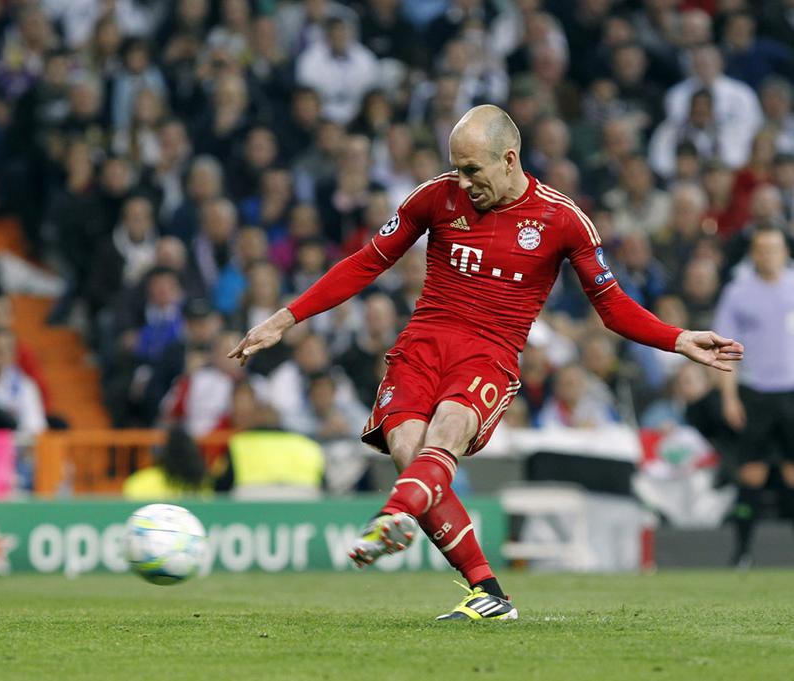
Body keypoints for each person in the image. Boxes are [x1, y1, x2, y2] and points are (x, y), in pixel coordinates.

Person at [229, 105, 744, 622]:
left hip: (489, 353)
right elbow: (367, 262)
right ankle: (488, 591)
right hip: (422, 344)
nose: (461, 181)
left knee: (447, 431)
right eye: (456, 167)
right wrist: (285, 319)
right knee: (407, 450)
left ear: (509, 159)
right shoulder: (434, 197)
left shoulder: (562, 219)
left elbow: (611, 307)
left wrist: (679, 339)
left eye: (472, 169)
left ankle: (393, 515)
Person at [713, 226, 794, 568]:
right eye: (762, 249)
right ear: (753, 254)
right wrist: (729, 397)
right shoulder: (738, 293)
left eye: (774, 248)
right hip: (755, 391)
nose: (768, 255)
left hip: (791, 390)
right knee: (751, 474)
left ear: (785, 252)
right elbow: (725, 348)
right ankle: (742, 552)